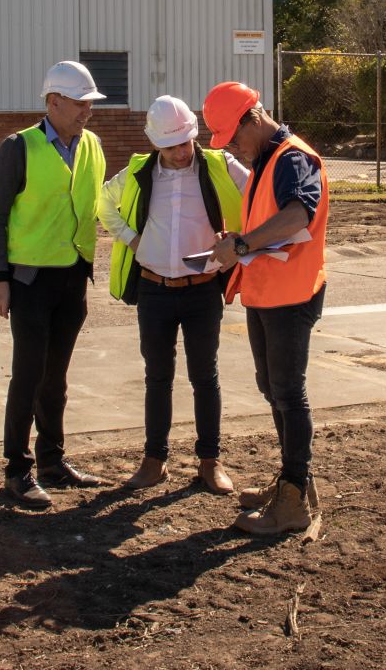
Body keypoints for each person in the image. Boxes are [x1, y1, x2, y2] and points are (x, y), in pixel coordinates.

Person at [99, 95, 250, 494]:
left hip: (202, 292)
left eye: (186, 142)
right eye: (171, 146)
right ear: (155, 144)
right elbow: (104, 202)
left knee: (205, 376)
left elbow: (257, 200)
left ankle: (209, 462)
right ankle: (154, 461)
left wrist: (239, 241)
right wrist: (132, 240)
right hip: (155, 291)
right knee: (157, 377)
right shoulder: (139, 173)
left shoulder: (220, 166)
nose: (182, 152)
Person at [0, 60, 111, 508]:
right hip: (30, 281)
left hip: (74, 278)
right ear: (53, 101)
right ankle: (17, 471)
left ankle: (52, 463)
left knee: (55, 379)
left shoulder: (92, 146)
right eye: (80, 103)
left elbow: (98, 204)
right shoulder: (19, 147)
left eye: (90, 104)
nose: (87, 112)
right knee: (28, 375)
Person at [204, 81, 330, 536]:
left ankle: (293, 500)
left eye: (234, 137)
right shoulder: (268, 159)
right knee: (273, 388)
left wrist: (242, 244)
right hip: (268, 291)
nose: (233, 147)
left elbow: (299, 215)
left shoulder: (292, 157)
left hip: (290, 295)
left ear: (253, 119)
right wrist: (240, 243)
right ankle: (296, 484)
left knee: (288, 392)